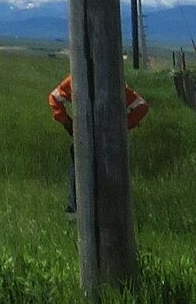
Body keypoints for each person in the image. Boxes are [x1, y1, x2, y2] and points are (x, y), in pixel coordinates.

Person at [48, 72, 150, 214]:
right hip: (105, 140)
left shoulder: (77, 79)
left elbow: (54, 98)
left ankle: (76, 209)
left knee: (80, 172)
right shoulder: (114, 83)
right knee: (103, 176)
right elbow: (141, 106)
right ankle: (95, 209)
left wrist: (67, 123)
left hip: (85, 138)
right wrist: (121, 126)